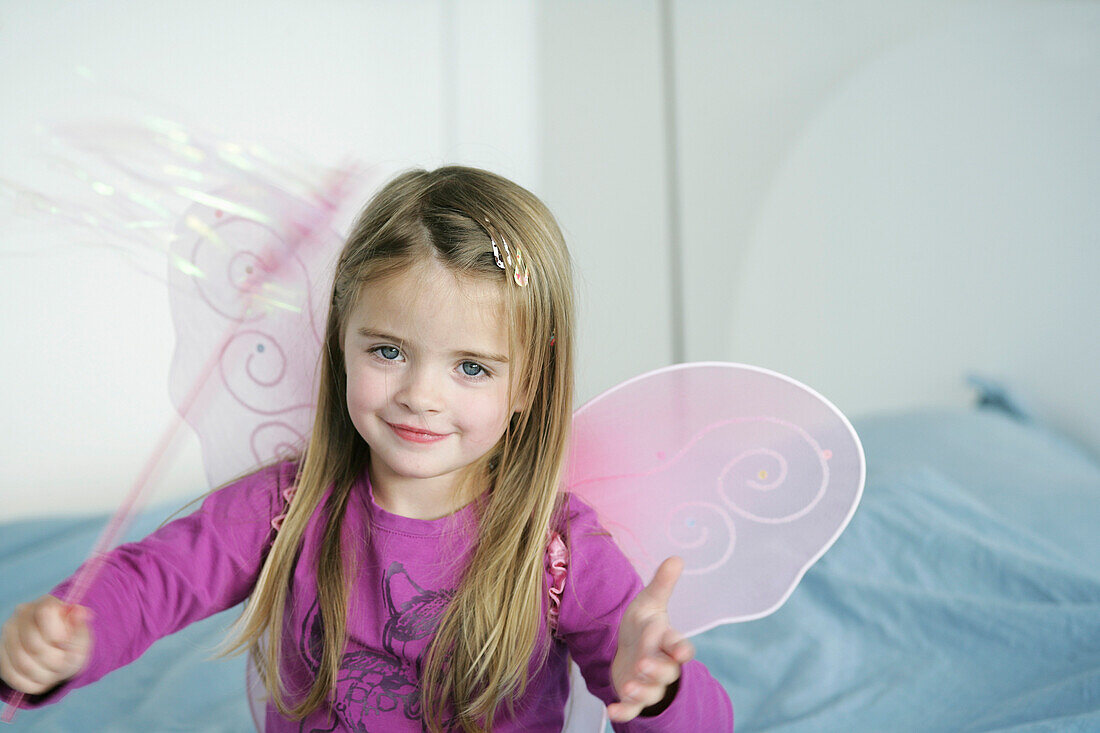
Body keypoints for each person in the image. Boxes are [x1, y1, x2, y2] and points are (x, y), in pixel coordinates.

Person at [0, 166, 733, 731]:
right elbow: (152, 580)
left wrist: (656, 682)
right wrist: (68, 636)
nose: (422, 394)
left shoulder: (558, 550)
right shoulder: (286, 506)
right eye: (388, 350)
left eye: (471, 366)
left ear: (528, 383)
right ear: (341, 345)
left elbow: (705, 721)